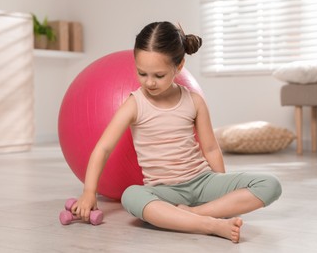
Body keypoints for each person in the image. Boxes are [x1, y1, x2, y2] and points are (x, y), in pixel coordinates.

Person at [71, 21, 282, 243]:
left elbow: (210, 148)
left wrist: (223, 188)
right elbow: (103, 149)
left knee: (270, 184)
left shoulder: (194, 101)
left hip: (202, 181)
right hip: (164, 191)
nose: (149, 82)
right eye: (142, 73)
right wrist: (89, 193)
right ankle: (211, 223)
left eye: (159, 76)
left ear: (179, 66)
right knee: (131, 196)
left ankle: (192, 215)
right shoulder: (135, 104)